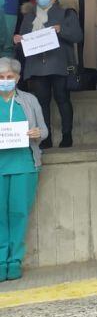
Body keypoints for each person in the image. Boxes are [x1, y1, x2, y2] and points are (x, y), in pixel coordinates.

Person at [16, 0, 82, 148]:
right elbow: (23, 40)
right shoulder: (29, 16)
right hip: (36, 65)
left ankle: (67, 135)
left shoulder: (66, 13)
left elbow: (78, 36)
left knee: (62, 99)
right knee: (41, 102)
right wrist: (17, 40)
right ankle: (46, 137)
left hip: (59, 64)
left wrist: (62, 30)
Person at [0, 57, 48, 281]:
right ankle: (1, 261)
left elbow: (44, 131)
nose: (5, 81)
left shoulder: (29, 100)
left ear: (18, 78)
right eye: (1, 77)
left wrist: (38, 133)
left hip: (25, 165)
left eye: (10, 77)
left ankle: (14, 260)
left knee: (18, 214)